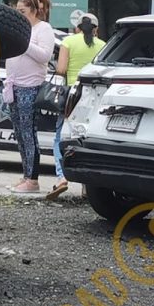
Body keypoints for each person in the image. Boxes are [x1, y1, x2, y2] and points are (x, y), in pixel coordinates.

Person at [48, 10, 106, 199]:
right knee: (86, 139)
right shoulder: (103, 46)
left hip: (72, 95)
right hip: (95, 96)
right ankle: (87, 186)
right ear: (96, 30)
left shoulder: (68, 42)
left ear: (77, 28)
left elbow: (62, 69)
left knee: (60, 137)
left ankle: (62, 178)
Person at [5, 0, 55, 194]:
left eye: (23, 11)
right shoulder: (20, 28)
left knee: (28, 133)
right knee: (18, 132)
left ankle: (33, 179)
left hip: (30, 88)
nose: (20, 14)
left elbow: (44, 56)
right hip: (14, 86)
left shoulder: (44, 29)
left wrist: (24, 43)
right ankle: (26, 174)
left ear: (34, 10)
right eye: (17, 10)